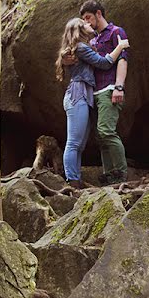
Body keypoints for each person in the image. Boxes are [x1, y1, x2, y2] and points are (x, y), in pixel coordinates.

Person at [55, 18, 129, 189]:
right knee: (74, 142)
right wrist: (121, 46)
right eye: (85, 22)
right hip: (78, 94)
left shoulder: (81, 48)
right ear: (79, 29)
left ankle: (75, 180)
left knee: (79, 144)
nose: (89, 24)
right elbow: (104, 63)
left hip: (83, 95)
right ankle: (72, 180)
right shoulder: (80, 48)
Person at [79, 0, 129, 185]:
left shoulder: (117, 32)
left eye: (88, 17)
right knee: (100, 136)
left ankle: (121, 172)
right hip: (94, 92)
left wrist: (119, 86)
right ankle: (109, 174)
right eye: (83, 20)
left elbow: (122, 60)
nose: (87, 22)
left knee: (106, 131)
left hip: (109, 88)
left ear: (99, 13)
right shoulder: (92, 39)